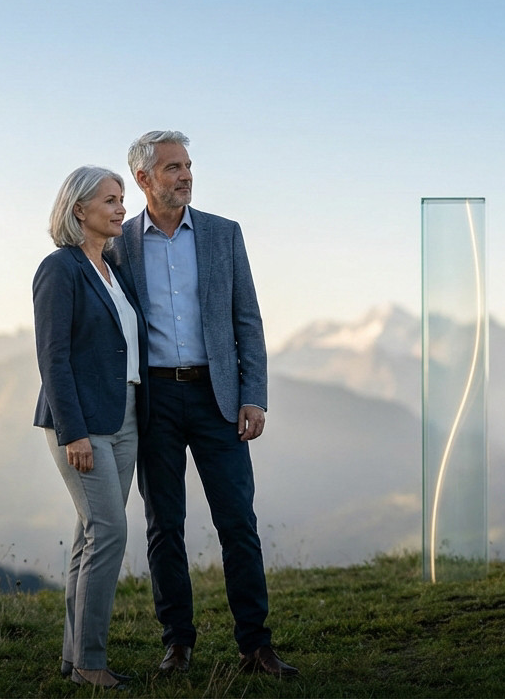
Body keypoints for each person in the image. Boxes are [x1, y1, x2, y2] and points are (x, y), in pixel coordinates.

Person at [108, 130, 297, 678]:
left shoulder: (223, 235)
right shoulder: (120, 245)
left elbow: (247, 322)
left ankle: (256, 645)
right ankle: (177, 644)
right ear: (143, 179)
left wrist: (254, 396)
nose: (185, 175)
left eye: (188, 165)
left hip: (219, 397)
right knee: (163, 525)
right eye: (172, 167)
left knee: (238, 521)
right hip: (156, 398)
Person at [33, 165, 147, 690]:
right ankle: (91, 663)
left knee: (89, 536)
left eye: (122, 198)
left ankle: (72, 657)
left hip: (123, 417)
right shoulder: (60, 269)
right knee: (110, 533)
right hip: (79, 424)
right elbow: (53, 358)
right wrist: (74, 432)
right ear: (79, 209)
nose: (121, 206)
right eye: (110, 199)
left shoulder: (113, 270)